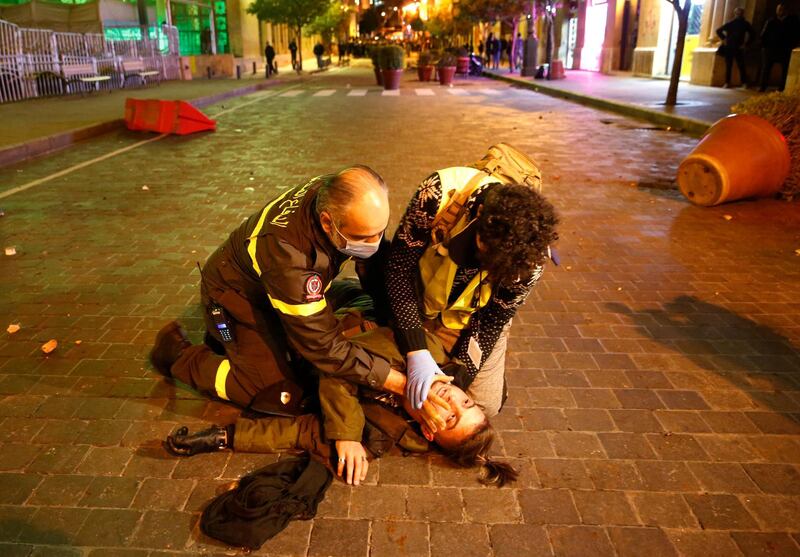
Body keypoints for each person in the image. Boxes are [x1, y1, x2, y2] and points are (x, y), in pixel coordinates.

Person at [150, 167, 398, 417]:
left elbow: (373, 260)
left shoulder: (347, 194)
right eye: (363, 237)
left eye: (379, 231)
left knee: (360, 301)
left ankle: (256, 343)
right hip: (237, 296)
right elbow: (323, 346)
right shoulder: (289, 254)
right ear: (326, 222)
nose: (374, 242)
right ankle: (180, 356)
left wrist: (391, 313)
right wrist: (400, 383)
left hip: (286, 286)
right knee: (275, 393)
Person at [165, 326, 518, 487]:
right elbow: (340, 362)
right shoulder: (427, 351)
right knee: (242, 331)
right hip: (332, 319)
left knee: (258, 392)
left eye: (452, 417)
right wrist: (346, 429)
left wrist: (223, 437)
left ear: (428, 430)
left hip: (302, 357)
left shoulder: (380, 435)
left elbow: (300, 431)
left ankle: (178, 355)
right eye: (467, 401)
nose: (452, 399)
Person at [385, 159, 559, 418]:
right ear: (478, 218)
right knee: (399, 379)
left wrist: (461, 375)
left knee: (484, 407)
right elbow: (398, 270)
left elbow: (491, 321)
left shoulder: (529, 262)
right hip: (419, 296)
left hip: (472, 318)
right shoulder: (438, 193)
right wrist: (416, 349)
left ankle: (492, 380)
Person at [759, 4, 800, 92]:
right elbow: (764, 34)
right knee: (766, 69)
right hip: (770, 49)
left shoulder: (793, 21)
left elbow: (796, 35)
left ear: (786, 11)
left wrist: (792, 46)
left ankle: (782, 88)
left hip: (785, 50)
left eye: (781, 9)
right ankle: (762, 87)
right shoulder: (771, 21)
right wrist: (764, 46)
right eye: (778, 9)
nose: (779, 11)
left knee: (785, 70)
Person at [716, 7, 755, 88]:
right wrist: (724, 39)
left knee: (741, 65)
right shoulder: (731, 23)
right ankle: (727, 82)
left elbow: (753, 34)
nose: (739, 14)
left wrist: (746, 44)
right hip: (730, 47)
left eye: (740, 13)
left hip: (738, 47)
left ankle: (743, 83)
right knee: (729, 65)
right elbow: (718, 30)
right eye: (737, 13)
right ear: (735, 13)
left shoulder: (744, 24)